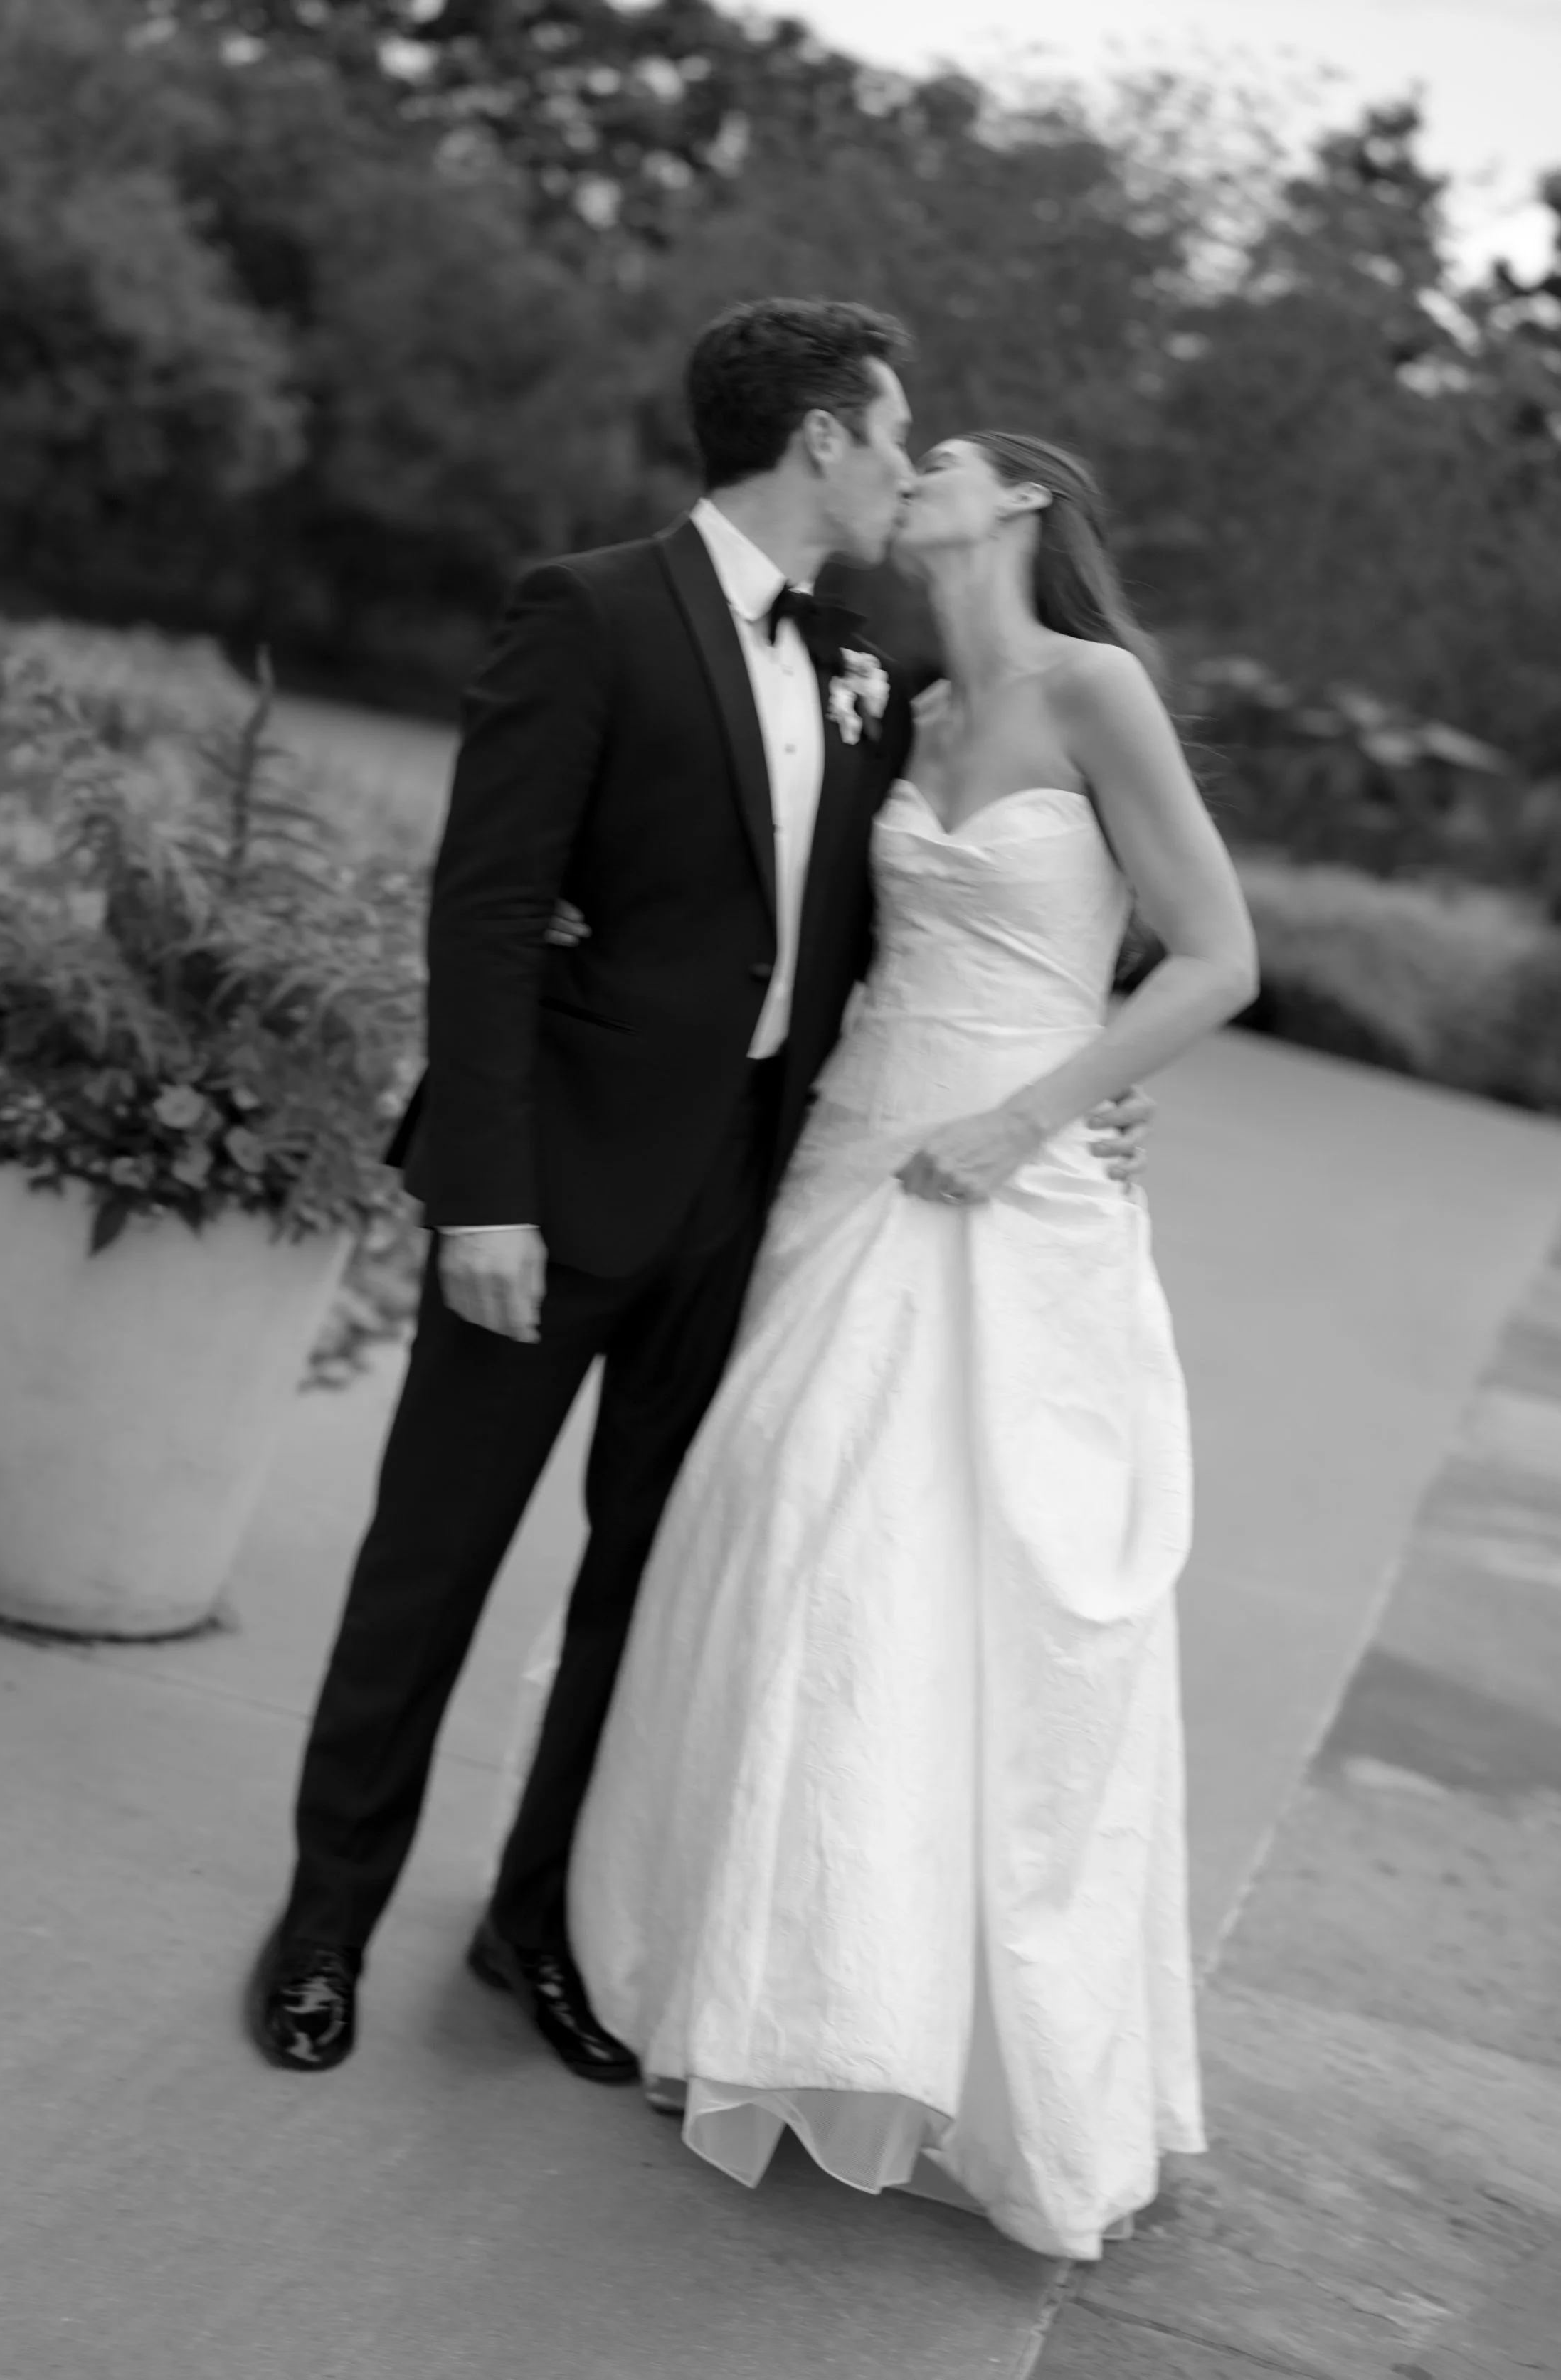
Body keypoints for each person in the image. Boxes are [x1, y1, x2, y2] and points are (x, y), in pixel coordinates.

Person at [248, 306, 1150, 2079]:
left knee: (642, 1590)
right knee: (424, 1575)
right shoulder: (583, 611)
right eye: (894, 433)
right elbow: (488, 908)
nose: (908, 464)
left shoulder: (870, 665)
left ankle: (534, 1931)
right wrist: (482, 1195)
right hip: (549, 1198)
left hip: (750, 1211)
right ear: (820, 437)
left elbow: (991, 910)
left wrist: (1081, 1101)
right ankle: (322, 1929)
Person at [566, 432, 1259, 2259]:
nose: (911, 464)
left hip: (1005, 1189)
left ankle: (929, 2030)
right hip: (850, 1160)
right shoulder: (906, 703)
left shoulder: (1090, 688)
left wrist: (1037, 1117)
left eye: (940, 451)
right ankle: (764, 1979)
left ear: (1026, 503)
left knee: (966, 1587)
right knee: (792, 1552)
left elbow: (1211, 958)